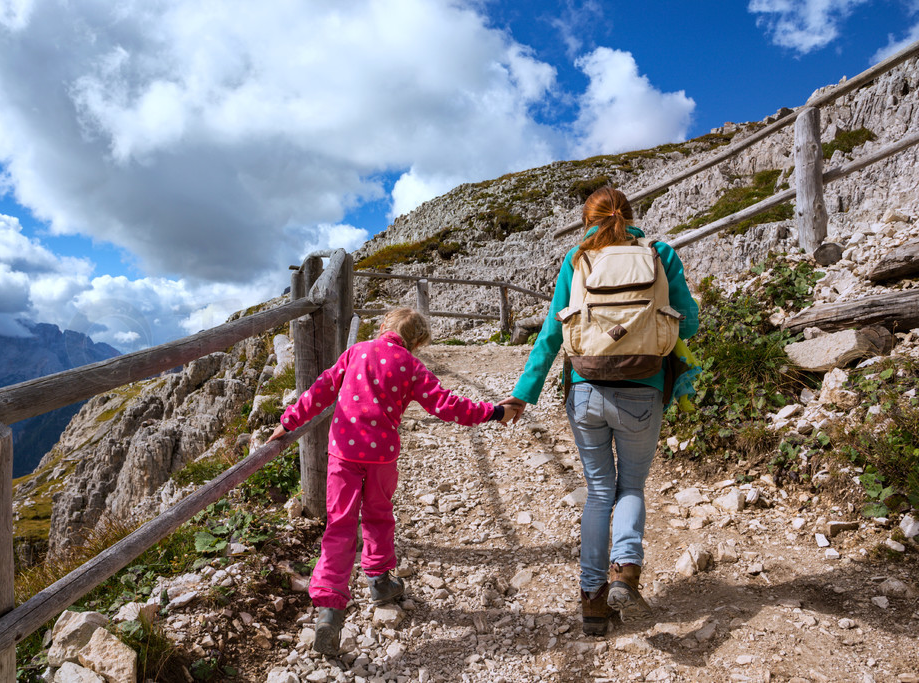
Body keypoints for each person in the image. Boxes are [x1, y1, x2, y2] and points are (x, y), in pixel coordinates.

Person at [499, 187, 699, 636]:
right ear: (630, 216)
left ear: (586, 219)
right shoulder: (659, 252)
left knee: (597, 492)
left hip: (586, 391)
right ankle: (625, 569)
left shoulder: (577, 259)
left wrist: (522, 395)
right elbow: (690, 319)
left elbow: (552, 331)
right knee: (631, 486)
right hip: (643, 391)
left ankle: (592, 602)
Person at [268, 307, 517, 655]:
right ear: (415, 343)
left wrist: (289, 421)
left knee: (339, 526)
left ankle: (329, 611)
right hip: (382, 457)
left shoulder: (356, 352)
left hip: (343, 454)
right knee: (379, 515)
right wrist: (494, 411)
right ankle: (380, 581)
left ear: (384, 325)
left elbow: (322, 388)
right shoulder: (412, 366)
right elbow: (446, 405)